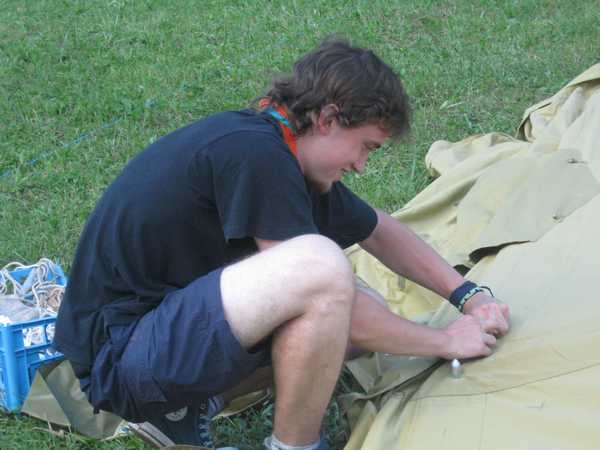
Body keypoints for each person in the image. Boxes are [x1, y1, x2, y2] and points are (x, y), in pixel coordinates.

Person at [54, 37, 510, 450]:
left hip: (146, 339)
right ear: (328, 119)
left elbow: (377, 230)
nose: (361, 165)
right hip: (122, 360)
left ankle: (182, 411)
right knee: (324, 275)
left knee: (352, 304)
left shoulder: (281, 150)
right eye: (366, 146)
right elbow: (335, 302)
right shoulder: (256, 155)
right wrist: (444, 340)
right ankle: (295, 446)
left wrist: (469, 296)